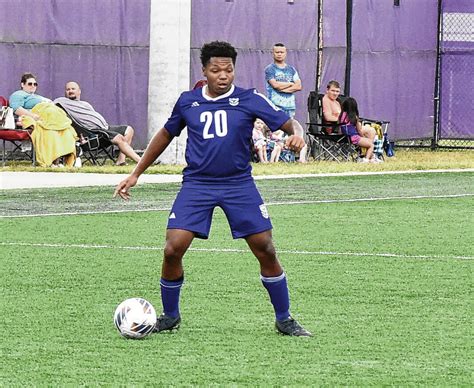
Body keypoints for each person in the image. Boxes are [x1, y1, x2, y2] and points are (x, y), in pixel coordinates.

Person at [114, 41, 311, 337]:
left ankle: (284, 319)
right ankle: (170, 316)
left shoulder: (249, 99)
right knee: (172, 249)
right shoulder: (188, 101)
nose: (223, 75)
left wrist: (297, 136)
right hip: (197, 185)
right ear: (204, 70)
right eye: (216, 70)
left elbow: (290, 124)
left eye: (228, 70)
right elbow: (165, 135)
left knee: (265, 249)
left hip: (238, 185)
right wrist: (136, 173)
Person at [54, 82, 141, 166]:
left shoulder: (85, 104)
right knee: (119, 138)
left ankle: (121, 161)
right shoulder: (61, 101)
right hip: (93, 132)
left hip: (105, 127)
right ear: (65, 92)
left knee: (129, 130)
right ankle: (141, 162)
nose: (70, 91)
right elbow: (48, 103)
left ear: (79, 91)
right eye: (68, 89)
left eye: (73, 89)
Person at [9, 73, 76, 167]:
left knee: (66, 130)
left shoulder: (36, 96)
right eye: (30, 84)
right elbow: (16, 108)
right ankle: (53, 161)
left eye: (35, 84)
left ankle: (64, 158)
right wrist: (32, 115)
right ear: (22, 84)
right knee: (50, 131)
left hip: (51, 114)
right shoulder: (18, 94)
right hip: (38, 115)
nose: (33, 86)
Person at [264, 43, 307, 162]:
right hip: (275, 105)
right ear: (273, 53)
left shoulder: (291, 69)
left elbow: (298, 86)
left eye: (281, 52)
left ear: (285, 53)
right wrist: (289, 84)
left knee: (291, 132)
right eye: (277, 52)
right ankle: (274, 157)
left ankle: (290, 157)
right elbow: (275, 85)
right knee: (277, 133)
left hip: (289, 106)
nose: (279, 54)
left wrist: (284, 87)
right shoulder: (270, 69)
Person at [339, 97, 378, 163]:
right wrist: (362, 137)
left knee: (367, 143)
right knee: (371, 144)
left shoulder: (341, 115)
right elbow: (359, 130)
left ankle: (371, 158)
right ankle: (367, 159)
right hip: (355, 138)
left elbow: (340, 128)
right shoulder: (354, 117)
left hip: (346, 137)